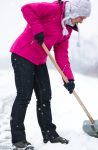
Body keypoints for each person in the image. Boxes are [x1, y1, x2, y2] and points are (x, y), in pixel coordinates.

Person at [10, 0, 91, 149]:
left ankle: (49, 134)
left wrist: (69, 78)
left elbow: (61, 55)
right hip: (22, 54)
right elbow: (27, 9)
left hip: (39, 60)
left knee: (45, 96)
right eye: (82, 17)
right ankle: (18, 139)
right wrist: (37, 29)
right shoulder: (53, 9)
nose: (82, 21)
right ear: (74, 12)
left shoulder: (66, 29)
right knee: (24, 96)